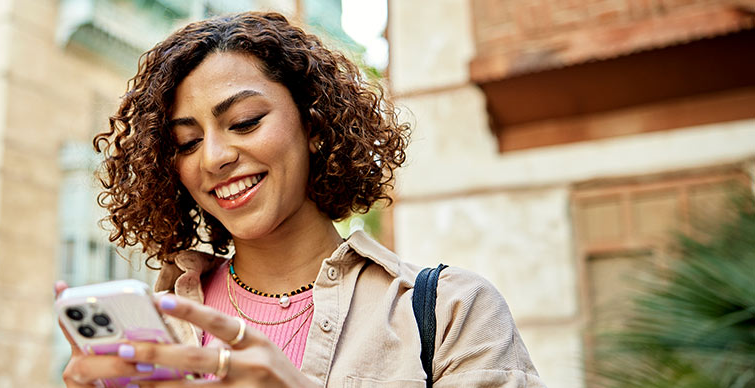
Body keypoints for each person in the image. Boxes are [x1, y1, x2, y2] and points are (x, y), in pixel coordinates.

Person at [57, 11, 545, 388]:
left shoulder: (450, 311)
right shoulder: (160, 327)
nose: (215, 157)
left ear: (313, 125)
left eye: (245, 122)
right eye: (186, 143)